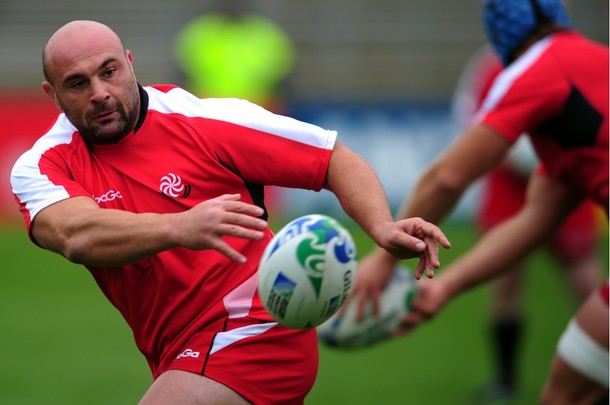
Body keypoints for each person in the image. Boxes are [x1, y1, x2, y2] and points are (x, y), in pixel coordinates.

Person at [9, 20, 451, 405]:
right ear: (53, 95)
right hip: (176, 349)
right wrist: (181, 226)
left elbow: (333, 158)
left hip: (257, 326)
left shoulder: (207, 121)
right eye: (78, 83)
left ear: (129, 63)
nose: (100, 93)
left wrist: (381, 225)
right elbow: (75, 233)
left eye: (109, 72)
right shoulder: (41, 165)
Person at [352, 0, 608, 403]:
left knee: (567, 396)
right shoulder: (592, 69)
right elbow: (533, 222)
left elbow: (447, 177)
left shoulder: (538, 68)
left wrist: (384, 259)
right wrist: (446, 287)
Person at [451, 45, 604, 402]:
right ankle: (505, 378)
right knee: (505, 283)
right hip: (509, 190)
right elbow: (470, 115)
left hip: (566, 179)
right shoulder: (491, 67)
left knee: (585, 280)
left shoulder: (571, 60)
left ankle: (599, 360)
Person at [173, 0, 295, 113]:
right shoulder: (202, 30)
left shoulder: (264, 32)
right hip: (209, 103)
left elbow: (282, 74)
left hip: (255, 103)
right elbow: (183, 70)